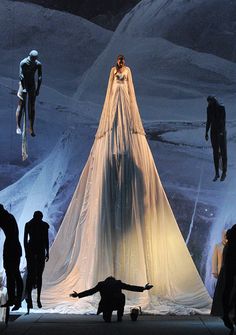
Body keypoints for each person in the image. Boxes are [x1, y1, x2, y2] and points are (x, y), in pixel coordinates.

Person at [41, 55, 211, 313]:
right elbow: (111, 91)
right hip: (113, 114)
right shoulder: (112, 73)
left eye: (121, 61)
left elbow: (128, 91)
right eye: (118, 61)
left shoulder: (127, 72)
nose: (120, 63)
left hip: (125, 110)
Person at [70, 276, 153, 322]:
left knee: (107, 319)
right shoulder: (118, 283)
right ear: (114, 280)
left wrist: (78, 295)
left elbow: (90, 291)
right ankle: (119, 316)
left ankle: (113, 316)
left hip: (106, 305)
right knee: (122, 296)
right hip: (117, 304)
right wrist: (144, 288)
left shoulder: (101, 284)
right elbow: (130, 287)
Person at [24, 211, 49, 311]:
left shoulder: (33, 225)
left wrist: (47, 251)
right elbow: (25, 240)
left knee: (37, 275)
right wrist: (47, 251)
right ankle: (32, 298)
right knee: (34, 275)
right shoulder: (30, 225)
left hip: (37, 250)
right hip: (36, 250)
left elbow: (46, 239)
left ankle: (35, 298)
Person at [0, 204, 23, 311]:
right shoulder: (8, 217)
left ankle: (17, 300)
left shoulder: (6, 217)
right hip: (12, 247)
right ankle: (13, 300)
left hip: (11, 248)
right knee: (11, 274)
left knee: (14, 274)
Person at [16, 50, 42, 137]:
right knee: (21, 104)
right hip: (23, 84)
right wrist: (23, 88)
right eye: (32, 59)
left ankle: (31, 127)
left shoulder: (38, 64)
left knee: (32, 106)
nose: (32, 61)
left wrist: (38, 89)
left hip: (31, 85)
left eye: (34, 60)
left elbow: (39, 77)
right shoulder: (23, 62)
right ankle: (18, 126)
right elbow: (21, 76)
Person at [205, 96, 227, 182]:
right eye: (208, 102)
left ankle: (224, 172)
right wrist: (206, 132)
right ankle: (217, 173)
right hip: (213, 132)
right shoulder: (209, 109)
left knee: (223, 152)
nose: (209, 103)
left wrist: (221, 131)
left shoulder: (221, 108)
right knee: (215, 153)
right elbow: (208, 121)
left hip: (221, 132)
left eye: (210, 101)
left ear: (214, 101)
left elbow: (223, 120)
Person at [222, 225, 236, 330]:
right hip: (231, 261)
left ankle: (227, 312)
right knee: (229, 287)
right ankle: (227, 313)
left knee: (229, 287)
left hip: (230, 262)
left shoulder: (228, 246)